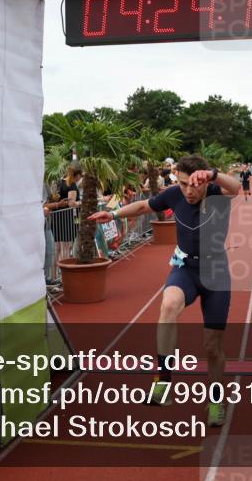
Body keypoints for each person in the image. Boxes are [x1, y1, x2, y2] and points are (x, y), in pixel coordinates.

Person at [89, 154, 240, 427]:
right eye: (182, 184)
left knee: (212, 346)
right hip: (185, 268)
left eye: (193, 184)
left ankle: (216, 399)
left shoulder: (217, 192)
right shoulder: (173, 194)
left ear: (204, 181)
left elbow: (236, 187)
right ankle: (164, 381)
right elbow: (143, 207)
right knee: (168, 305)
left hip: (215, 272)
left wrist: (213, 174)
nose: (188, 191)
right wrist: (112, 214)